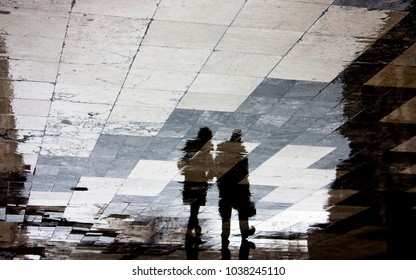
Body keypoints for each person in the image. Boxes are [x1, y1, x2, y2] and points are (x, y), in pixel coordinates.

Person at [214, 129, 256, 259]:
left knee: (227, 214)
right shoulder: (240, 153)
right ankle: (242, 234)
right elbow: (244, 172)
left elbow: (219, 171)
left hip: (228, 188)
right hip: (237, 188)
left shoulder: (226, 152)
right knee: (240, 212)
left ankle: (226, 237)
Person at [177, 127, 214, 259]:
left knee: (194, 204)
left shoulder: (192, 145)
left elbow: (183, 162)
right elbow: (208, 163)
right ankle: (193, 226)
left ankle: (193, 225)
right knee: (196, 204)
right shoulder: (205, 148)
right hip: (198, 178)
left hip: (191, 178)